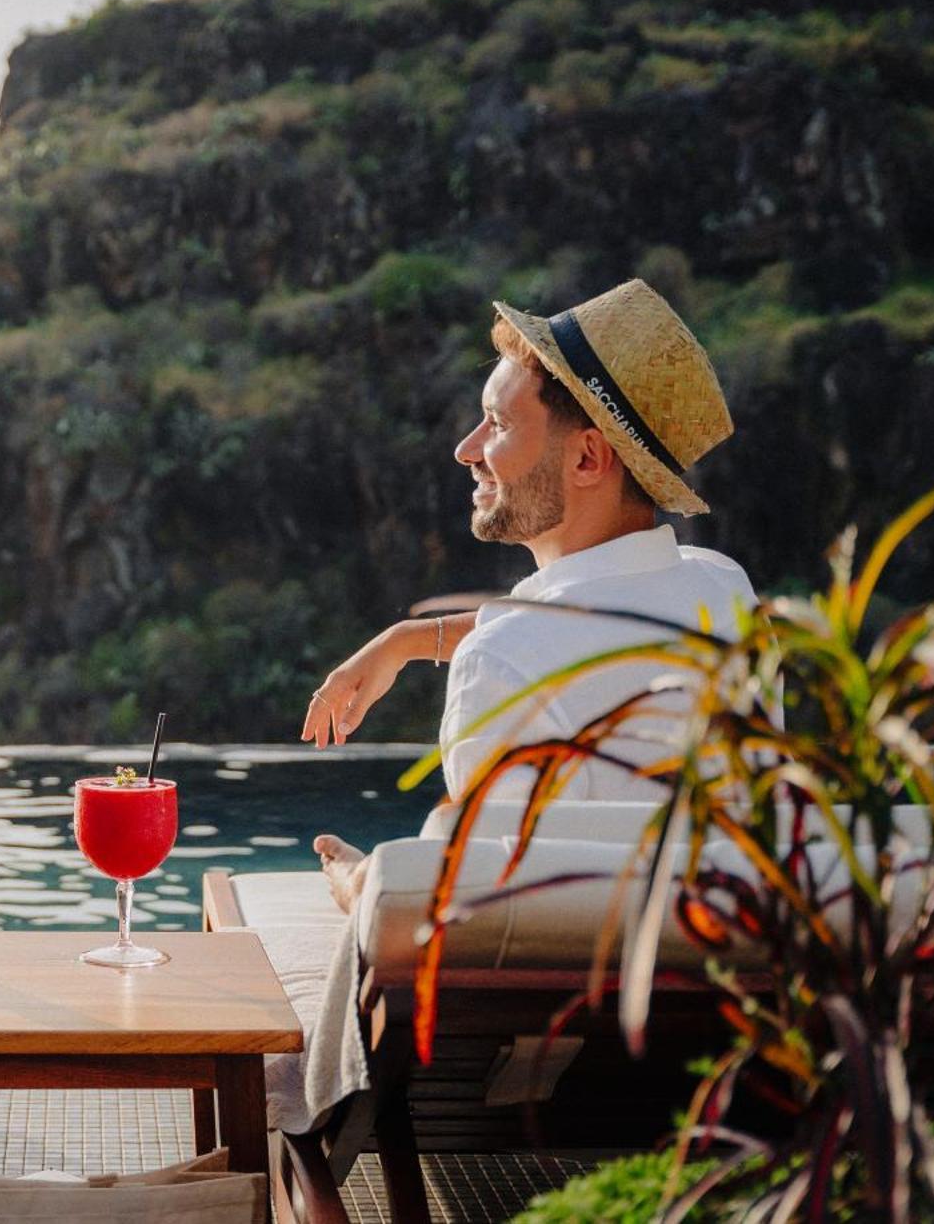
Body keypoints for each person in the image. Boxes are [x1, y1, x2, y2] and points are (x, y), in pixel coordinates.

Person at [300, 278, 753, 910]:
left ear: (589, 460)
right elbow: (594, 624)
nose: (467, 451)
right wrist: (407, 641)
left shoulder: (500, 664)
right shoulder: (725, 592)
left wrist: (361, 889)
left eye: (497, 424)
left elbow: (466, 920)